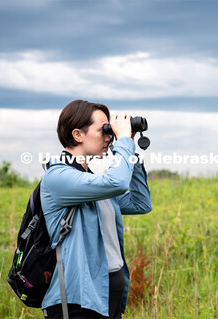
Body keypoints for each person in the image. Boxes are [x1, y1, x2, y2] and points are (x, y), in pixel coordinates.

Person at [40, 100, 153, 318]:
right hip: (78, 298)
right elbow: (118, 183)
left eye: (110, 131)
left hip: (110, 289)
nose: (109, 137)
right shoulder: (58, 178)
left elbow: (141, 203)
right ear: (78, 135)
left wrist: (129, 147)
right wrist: (123, 144)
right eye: (103, 130)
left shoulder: (91, 182)